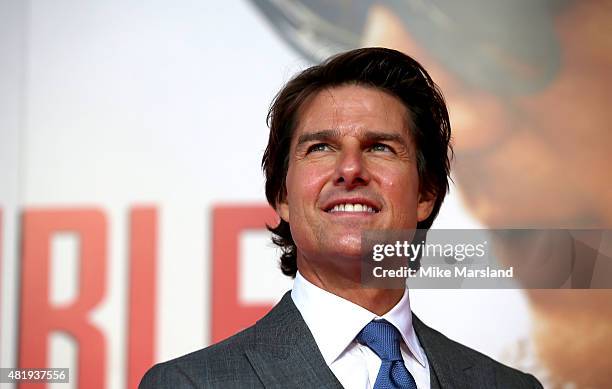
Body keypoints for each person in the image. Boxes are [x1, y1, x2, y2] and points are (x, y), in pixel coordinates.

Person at [139, 48, 542, 388]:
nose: (350, 169)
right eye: (320, 148)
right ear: (282, 195)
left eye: (380, 147)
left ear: (425, 194)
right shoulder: (190, 383)